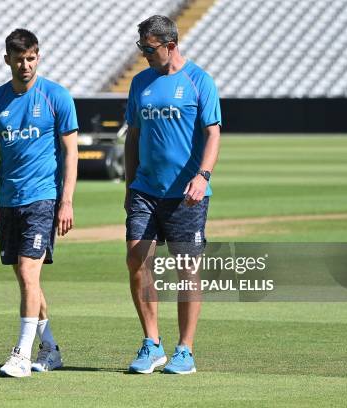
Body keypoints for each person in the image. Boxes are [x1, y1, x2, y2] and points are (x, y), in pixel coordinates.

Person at [0, 28, 78, 378]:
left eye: (32, 57)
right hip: (8, 201)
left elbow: (71, 153)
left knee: (27, 270)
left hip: (42, 198)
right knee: (27, 281)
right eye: (19, 59)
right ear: (7, 59)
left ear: (39, 56)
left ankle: (21, 354)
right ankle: (50, 349)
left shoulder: (56, 96)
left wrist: (66, 201)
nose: (26, 65)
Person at [124, 15, 222, 375]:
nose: (143, 55)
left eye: (148, 49)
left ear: (170, 45)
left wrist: (202, 176)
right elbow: (133, 136)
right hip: (145, 191)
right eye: (141, 48)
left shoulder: (199, 81)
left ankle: (185, 350)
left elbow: (213, 133)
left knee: (187, 269)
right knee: (137, 260)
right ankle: (152, 344)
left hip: (186, 195)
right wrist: (130, 183)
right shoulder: (140, 83)